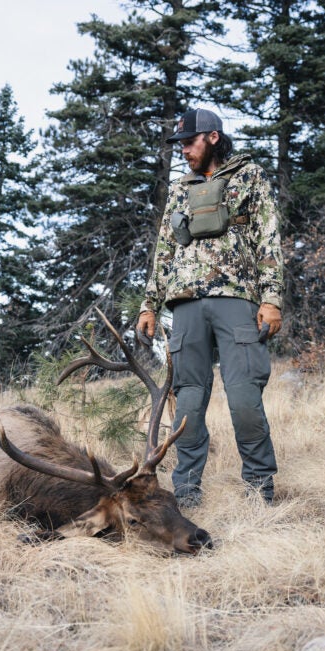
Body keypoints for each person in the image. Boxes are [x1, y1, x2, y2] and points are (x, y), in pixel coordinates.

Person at [137, 108, 284, 507]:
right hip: (185, 305)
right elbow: (164, 249)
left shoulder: (249, 176)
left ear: (213, 138)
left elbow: (268, 238)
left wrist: (271, 299)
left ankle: (259, 490)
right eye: (180, 144)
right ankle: (185, 491)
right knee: (188, 402)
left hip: (236, 300)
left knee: (244, 398)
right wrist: (149, 305)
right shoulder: (180, 188)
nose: (183, 150)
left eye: (190, 142)